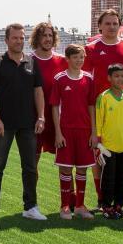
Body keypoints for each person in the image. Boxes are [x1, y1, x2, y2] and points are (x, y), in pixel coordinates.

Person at [83, 9, 123, 213]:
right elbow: (84, 78)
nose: (111, 27)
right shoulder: (90, 48)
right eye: (107, 23)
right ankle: (102, 200)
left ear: (120, 25)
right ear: (100, 26)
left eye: (115, 23)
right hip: (101, 110)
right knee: (99, 155)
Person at [0, 23, 46, 221]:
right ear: (7, 40)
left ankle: (30, 206)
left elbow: (38, 91)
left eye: (21, 38)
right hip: (4, 125)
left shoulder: (31, 62)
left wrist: (41, 116)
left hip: (28, 124)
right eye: (15, 38)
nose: (19, 41)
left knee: (29, 167)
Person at [49, 44, 96, 220]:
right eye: (75, 57)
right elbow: (54, 107)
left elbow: (91, 106)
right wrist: (58, 133)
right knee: (66, 169)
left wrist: (94, 132)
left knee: (83, 169)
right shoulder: (60, 79)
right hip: (66, 131)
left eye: (81, 57)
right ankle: (64, 206)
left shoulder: (89, 79)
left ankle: (80, 206)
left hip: (85, 131)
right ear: (67, 59)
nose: (79, 61)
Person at [94, 64, 123, 219]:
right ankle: (106, 206)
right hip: (108, 146)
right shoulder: (103, 97)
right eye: (117, 76)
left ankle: (119, 206)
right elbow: (99, 121)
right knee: (109, 177)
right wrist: (99, 143)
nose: (120, 79)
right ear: (109, 78)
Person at [29, 22, 68, 178]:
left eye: (50, 35)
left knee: (65, 162)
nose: (47, 39)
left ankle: (69, 201)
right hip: (35, 119)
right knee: (32, 163)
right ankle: (31, 201)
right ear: (37, 38)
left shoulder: (63, 60)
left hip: (58, 119)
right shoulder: (28, 61)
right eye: (43, 35)